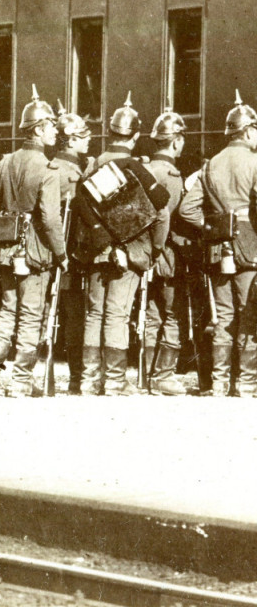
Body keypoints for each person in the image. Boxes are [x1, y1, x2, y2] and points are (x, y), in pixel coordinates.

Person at [79, 94, 169, 396]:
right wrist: (153, 250)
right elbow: (161, 204)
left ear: (111, 132)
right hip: (129, 251)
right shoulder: (134, 166)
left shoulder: (92, 166)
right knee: (117, 314)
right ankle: (115, 381)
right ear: (135, 135)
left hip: (97, 249)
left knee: (94, 313)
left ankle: (90, 380)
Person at [0, 86, 66, 397]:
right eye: (52, 127)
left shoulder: (5, 162)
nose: (56, 132)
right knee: (31, 314)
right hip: (35, 252)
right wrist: (62, 254)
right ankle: (20, 381)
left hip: (5, 249)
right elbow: (51, 220)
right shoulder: (48, 169)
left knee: (7, 311)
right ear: (40, 129)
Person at [179, 90, 257, 397]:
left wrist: (212, 226)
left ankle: (221, 382)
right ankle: (248, 383)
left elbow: (187, 209)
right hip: (251, 245)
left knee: (223, 315)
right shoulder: (254, 161)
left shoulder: (209, 165)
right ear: (249, 130)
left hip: (217, 247)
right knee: (250, 313)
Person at [142, 109, 189, 395]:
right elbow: (170, 217)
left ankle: (149, 373)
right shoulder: (172, 175)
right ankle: (164, 375)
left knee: (152, 314)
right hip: (167, 255)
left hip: (144, 253)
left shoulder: (146, 169)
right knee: (173, 313)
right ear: (175, 142)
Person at [53, 105, 94, 394]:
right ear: (71, 139)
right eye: (83, 135)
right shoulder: (70, 173)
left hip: (56, 253)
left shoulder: (59, 166)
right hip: (70, 255)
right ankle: (75, 379)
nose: (88, 139)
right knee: (73, 317)